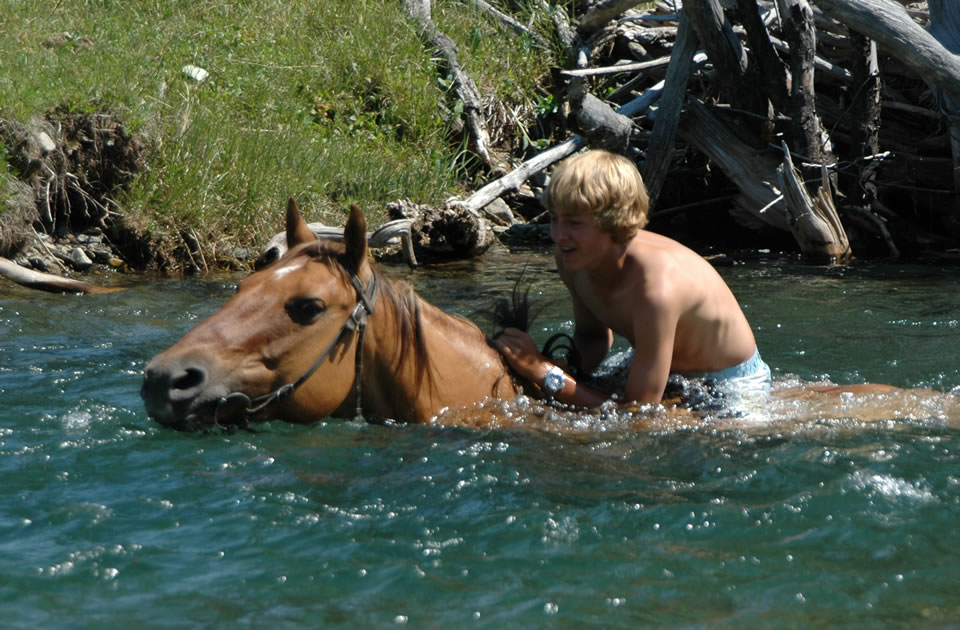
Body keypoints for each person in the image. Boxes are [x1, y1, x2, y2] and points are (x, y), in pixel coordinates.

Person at [492, 149, 770, 411]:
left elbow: (639, 413)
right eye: (555, 219)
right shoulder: (573, 259)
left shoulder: (657, 289)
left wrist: (545, 374)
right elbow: (592, 338)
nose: (558, 234)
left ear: (615, 222)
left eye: (574, 223)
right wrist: (563, 367)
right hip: (663, 370)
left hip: (729, 386)